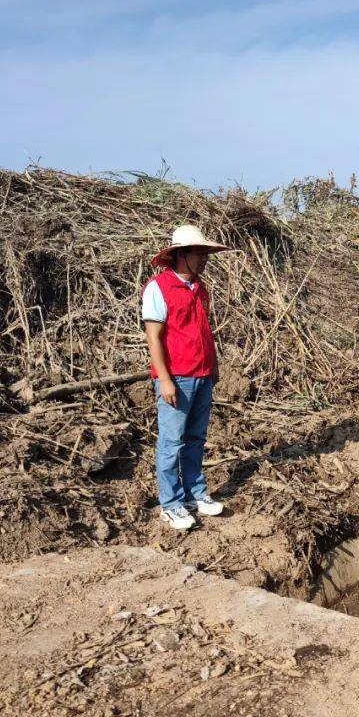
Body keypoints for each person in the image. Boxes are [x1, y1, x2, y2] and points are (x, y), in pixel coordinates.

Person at [142, 224, 229, 531]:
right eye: (199, 253)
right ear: (181, 255)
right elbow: (154, 338)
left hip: (203, 374)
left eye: (206, 253)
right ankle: (171, 503)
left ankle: (195, 494)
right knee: (172, 441)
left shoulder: (199, 288)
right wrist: (164, 379)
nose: (205, 259)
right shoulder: (159, 287)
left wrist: (214, 365)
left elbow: (204, 331)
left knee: (195, 438)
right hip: (177, 377)